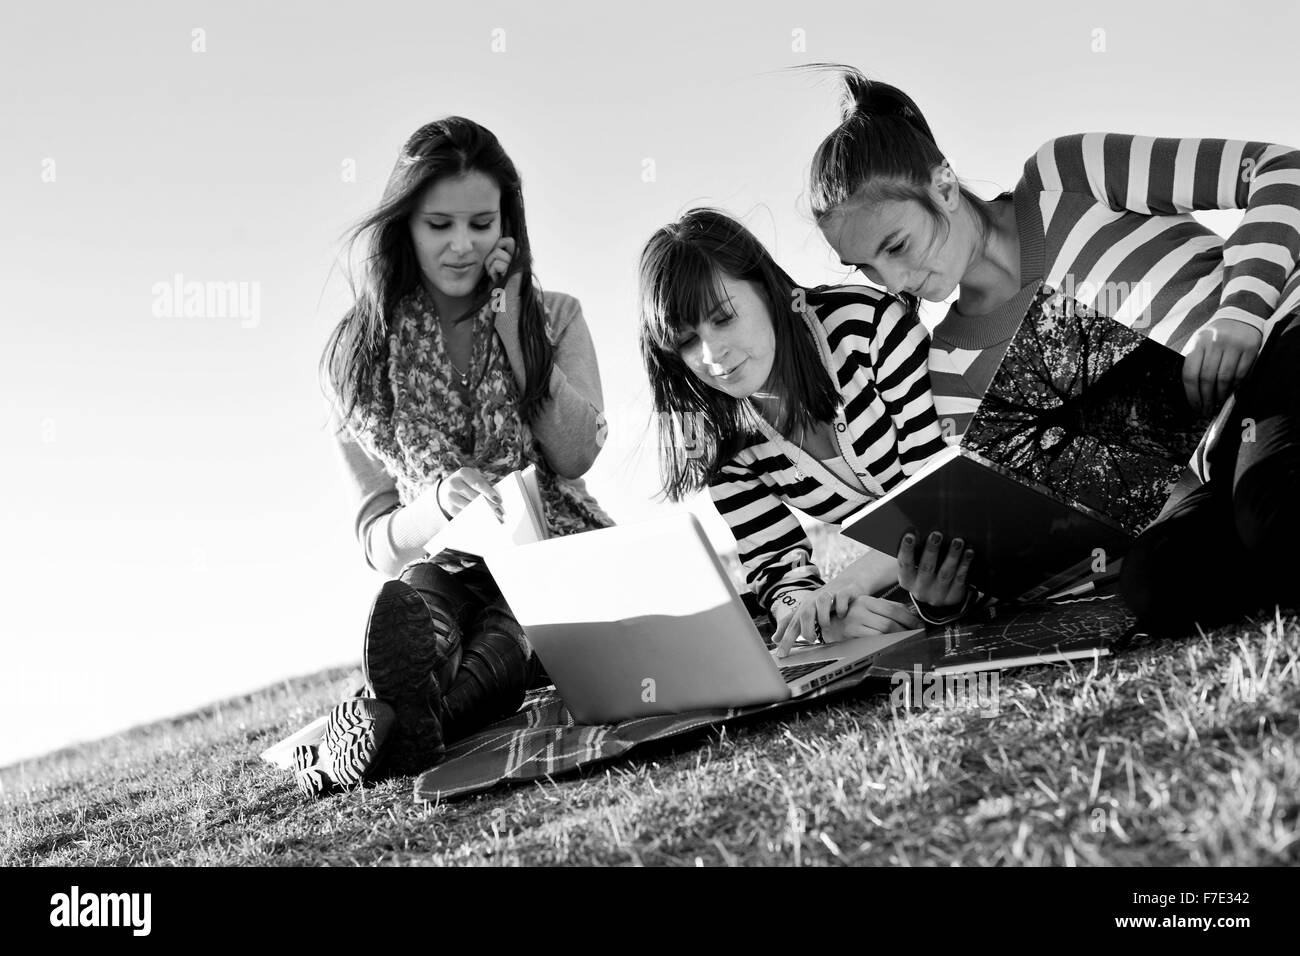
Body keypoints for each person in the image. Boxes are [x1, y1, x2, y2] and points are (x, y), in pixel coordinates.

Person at [803, 65, 1300, 636]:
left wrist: (1241, 311)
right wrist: (943, 598)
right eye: (865, 265)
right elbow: (1047, 534)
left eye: (896, 245)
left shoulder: (1066, 173)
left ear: (942, 185)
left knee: (1270, 510)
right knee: (1158, 584)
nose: (892, 279)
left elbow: (1278, 168)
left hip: (1281, 342)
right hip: (1207, 464)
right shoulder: (952, 367)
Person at [301, 116, 612, 796]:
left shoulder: (555, 316)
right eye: (439, 225)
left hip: (550, 550)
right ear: (405, 225)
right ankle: (413, 711)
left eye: (481, 223)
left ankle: (395, 727)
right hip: (444, 561)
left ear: (508, 223)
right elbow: (381, 542)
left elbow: (574, 455)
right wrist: (435, 504)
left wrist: (516, 331)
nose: (463, 246)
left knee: (515, 624)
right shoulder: (357, 361)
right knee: (424, 602)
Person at [638, 208, 948, 658]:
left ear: (765, 288)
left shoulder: (867, 328)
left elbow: (944, 494)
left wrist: (846, 585)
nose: (711, 354)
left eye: (723, 317)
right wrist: (822, 621)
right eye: (686, 340)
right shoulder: (719, 437)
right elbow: (777, 569)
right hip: (925, 580)